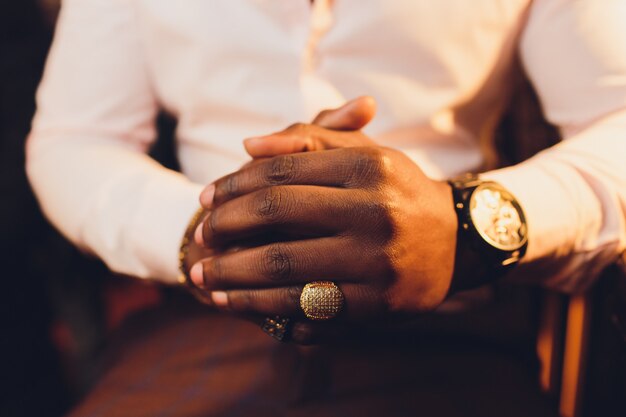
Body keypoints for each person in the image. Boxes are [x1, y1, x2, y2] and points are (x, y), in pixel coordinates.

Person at [26, 0, 626, 416]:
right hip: (200, 324)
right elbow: (76, 137)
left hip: (450, 324)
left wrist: (469, 227)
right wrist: (199, 233)